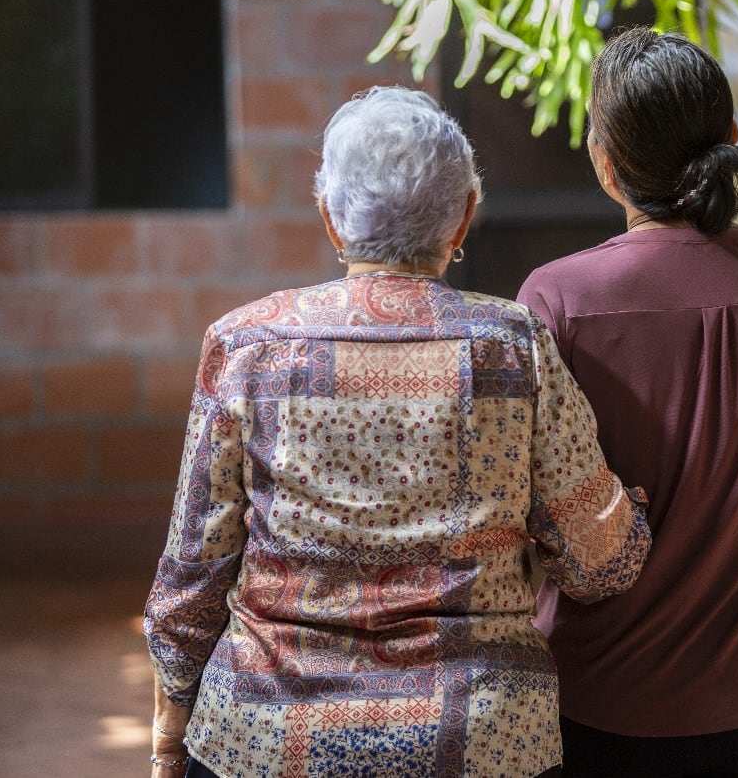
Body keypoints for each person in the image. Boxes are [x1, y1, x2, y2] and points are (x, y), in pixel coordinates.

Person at [144, 86, 651, 778]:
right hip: (482, 744)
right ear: (464, 216)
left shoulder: (247, 346)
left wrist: (171, 733)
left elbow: (191, 574)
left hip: (266, 739)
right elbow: (599, 561)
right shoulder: (512, 345)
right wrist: (637, 515)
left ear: (331, 219)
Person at [517, 27, 738, 777]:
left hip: (597, 711)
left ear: (604, 163)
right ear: (732, 140)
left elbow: (524, 518)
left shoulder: (557, 302)